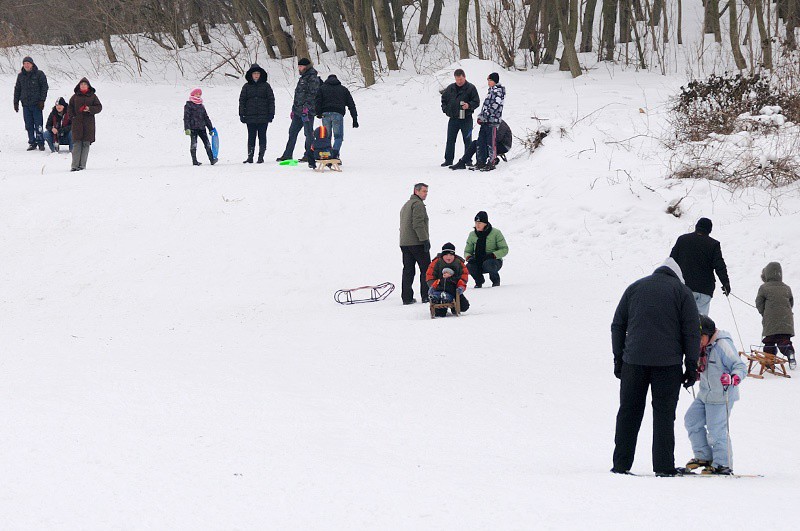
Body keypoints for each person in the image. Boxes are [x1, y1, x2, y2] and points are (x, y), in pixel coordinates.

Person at [611, 257, 701, 477]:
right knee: (664, 414)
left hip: (633, 362)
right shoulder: (682, 292)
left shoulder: (635, 287)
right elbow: (691, 332)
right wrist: (691, 366)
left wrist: (618, 358)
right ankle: (663, 466)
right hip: (667, 365)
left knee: (629, 412)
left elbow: (618, 325)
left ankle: (621, 464)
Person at [684, 315, 747, 475]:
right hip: (705, 394)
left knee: (716, 430)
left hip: (721, 395)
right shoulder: (703, 349)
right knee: (692, 420)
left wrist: (733, 377)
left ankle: (722, 464)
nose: (697, 342)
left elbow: (739, 366)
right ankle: (704, 456)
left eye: (700, 338)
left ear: (708, 333)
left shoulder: (722, 344)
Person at [669, 217, 731, 315]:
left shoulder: (682, 240)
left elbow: (671, 261)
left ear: (696, 227)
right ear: (709, 230)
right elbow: (720, 265)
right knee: (699, 323)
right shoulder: (713, 244)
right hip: (704, 290)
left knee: (680, 319)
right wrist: (725, 283)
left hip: (683, 287)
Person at [277, 58, 321, 167]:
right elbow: (298, 96)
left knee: (308, 133)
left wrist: (307, 108)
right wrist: (293, 109)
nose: (299, 68)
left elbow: (312, 95)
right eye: (299, 66)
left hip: (308, 111)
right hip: (298, 111)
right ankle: (287, 154)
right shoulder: (302, 78)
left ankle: (308, 154)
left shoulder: (313, 78)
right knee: (292, 132)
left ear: (307, 66)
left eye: (301, 66)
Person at [756, 262, 796, 369]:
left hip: (770, 321)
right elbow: (791, 302)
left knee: (770, 341)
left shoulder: (764, 288)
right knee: (783, 340)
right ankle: (789, 352)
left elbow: (759, 303)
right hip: (786, 320)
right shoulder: (787, 288)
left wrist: (764, 313)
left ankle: (769, 362)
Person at [439, 68, 480, 167]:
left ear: (464, 77)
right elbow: (443, 100)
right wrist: (446, 110)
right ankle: (448, 160)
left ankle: (468, 160)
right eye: (457, 80)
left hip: (466, 118)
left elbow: (476, 101)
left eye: (461, 79)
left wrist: (469, 105)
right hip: (453, 118)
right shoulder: (450, 88)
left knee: (467, 140)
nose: (459, 82)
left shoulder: (471, 88)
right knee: (450, 140)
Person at [399, 183, 431, 305]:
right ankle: (426, 295)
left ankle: (406, 297)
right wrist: (424, 240)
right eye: (424, 191)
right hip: (416, 242)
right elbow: (418, 224)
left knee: (408, 270)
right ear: (416, 191)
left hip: (404, 242)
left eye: (426, 191)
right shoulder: (418, 205)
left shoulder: (406, 205)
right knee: (426, 269)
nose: (426, 194)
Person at [315, 74, 358, 160]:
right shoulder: (343, 89)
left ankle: (327, 154)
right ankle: (334, 154)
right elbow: (351, 105)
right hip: (338, 114)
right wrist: (354, 119)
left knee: (326, 137)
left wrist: (318, 113)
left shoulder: (322, 88)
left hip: (325, 114)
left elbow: (318, 101)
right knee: (338, 137)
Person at [238, 64, 275, 163]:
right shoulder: (246, 86)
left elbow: (271, 100)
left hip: (263, 116)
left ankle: (261, 156)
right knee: (251, 137)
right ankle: (250, 157)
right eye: (254, 73)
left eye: (258, 73)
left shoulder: (266, 86)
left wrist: (271, 113)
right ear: (251, 75)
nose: (256, 75)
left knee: (262, 136)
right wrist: (242, 114)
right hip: (250, 117)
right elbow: (242, 101)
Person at [464, 211, 508, 287]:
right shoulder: (472, 234)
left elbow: (504, 249)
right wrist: (468, 257)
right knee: (469, 266)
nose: (477, 225)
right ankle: (479, 281)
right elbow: (467, 251)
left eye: (479, 223)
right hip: (478, 260)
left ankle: (495, 282)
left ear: (485, 223)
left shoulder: (496, 233)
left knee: (489, 264)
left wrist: (493, 255)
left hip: (494, 261)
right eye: (476, 223)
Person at [13, 56, 49, 151]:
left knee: (38, 124)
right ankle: (32, 142)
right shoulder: (21, 76)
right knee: (28, 125)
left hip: (37, 104)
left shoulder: (39, 74)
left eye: (28, 63)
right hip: (25, 104)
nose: (26, 65)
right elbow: (17, 89)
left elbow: (44, 87)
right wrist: (16, 102)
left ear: (32, 64)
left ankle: (40, 142)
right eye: (25, 64)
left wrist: (42, 100)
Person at [67, 78, 102, 172]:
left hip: (89, 124)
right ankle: (74, 166)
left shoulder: (93, 96)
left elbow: (99, 107)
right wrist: (72, 116)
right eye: (81, 84)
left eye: (85, 84)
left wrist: (90, 109)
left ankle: (82, 166)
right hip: (77, 124)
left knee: (86, 144)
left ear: (88, 86)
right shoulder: (74, 97)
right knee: (77, 144)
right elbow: (69, 107)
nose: (83, 86)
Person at [426, 242, 470, 316]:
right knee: (440, 313)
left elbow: (464, 275)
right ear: (442, 255)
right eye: (446, 255)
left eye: (451, 255)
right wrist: (434, 286)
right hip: (439, 288)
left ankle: (454, 307)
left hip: (453, 289)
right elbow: (430, 275)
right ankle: (437, 303)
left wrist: (460, 287)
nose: (448, 257)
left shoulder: (458, 262)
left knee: (464, 306)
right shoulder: (437, 262)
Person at [475, 72, 506, 172]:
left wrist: (485, 116)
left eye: (490, 80)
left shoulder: (498, 91)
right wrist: (481, 116)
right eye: (488, 80)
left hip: (492, 121)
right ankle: (481, 161)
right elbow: (486, 106)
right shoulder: (491, 91)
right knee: (481, 141)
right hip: (485, 121)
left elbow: (494, 106)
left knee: (491, 142)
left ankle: (492, 161)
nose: (488, 82)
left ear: (495, 81)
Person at [184, 88, 217, 166]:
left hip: (202, 128)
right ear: (193, 94)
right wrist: (187, 128)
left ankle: (212, 159)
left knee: (207, 144)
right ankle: (194, 161)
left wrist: (210, 128)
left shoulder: (201, 105)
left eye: (199, 94)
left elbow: (206, 117)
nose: (198, 95)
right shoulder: (188, 105)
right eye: (197, 94)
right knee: (194, 144)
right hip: (193, 128)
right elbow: (186, 117)